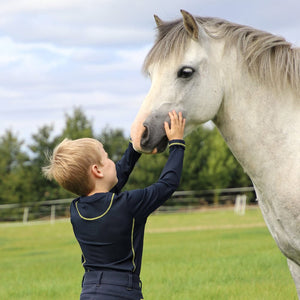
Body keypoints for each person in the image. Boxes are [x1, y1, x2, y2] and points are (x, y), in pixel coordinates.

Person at [43, 111, 186, 300]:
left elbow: (111, 182)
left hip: (89, 292)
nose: (112, 162)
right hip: (123, 292)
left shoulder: (76, 210)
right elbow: (167, 184)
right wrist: (177, 143)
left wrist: (134, 148)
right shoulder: (129, 205)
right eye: (107, 158)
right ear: (97, 170)